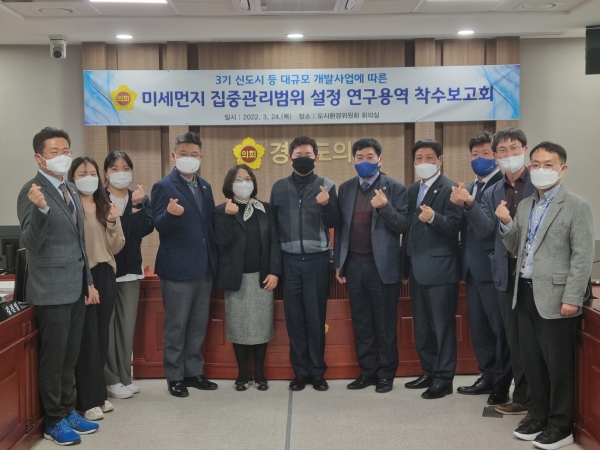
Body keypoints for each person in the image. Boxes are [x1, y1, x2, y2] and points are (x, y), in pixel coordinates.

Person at [498, 142, 594, 450]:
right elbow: (515, 246)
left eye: (548, 165)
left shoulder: (577, 206)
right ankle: (538, 417)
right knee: (533, 363)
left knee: (558, 366)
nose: (541, 170)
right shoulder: (527, 204)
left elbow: (582, 256)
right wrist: (506, 223)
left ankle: (561, 426)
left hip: (557, 297)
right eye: (536, 164)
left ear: (562, 169)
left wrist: (573, 297)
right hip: (525, 293)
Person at [17, 127, 99, 445]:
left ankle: (67, 410)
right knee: (54, 359)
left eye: (66, 150)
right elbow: (30, 243)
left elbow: (80, 243)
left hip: (76, 287)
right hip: (50, 289)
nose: (63, 156)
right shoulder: (32, 191)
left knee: (69, 356)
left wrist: (88, 282)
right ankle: (53, 420)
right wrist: (41, 211)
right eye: (55, 152)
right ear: (39, 157)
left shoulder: (71, 189)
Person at [457, 127, 535, 422]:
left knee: (533, 338)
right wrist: (470, 204)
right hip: (505, 270)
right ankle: (522, 397)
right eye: (502, 150)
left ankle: (537, 401)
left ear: (524, 149)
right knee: (513, 337)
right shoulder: (492, 191)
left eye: (513, 149)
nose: (508, 155)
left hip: (534, 270)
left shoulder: (538, 184)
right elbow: (486, 229)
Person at [334, 138, 408, 393]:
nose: (364, 162)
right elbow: (341, 228)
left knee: (385, 324)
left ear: (380, 159)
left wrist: (385, 207)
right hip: (354, 265)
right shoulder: (345, 188)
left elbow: (403, 225)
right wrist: (339, 262)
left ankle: (386, 374)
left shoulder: (395, 187)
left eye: (369, 157)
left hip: (383, 267)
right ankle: (367, 371)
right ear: (353, 160)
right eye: (359, 158)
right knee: (362, 322)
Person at [269, 135, 340, 392]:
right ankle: (300, 373)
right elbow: (273, 231)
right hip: (289, 262)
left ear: (316, 158)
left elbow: (335, 222)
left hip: (317, 261)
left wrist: (326, 205)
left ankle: (317, 373)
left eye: (308, 155)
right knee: (295, 319)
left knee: (315, 318)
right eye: (298, 155)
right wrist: (275, 267)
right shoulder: (278, 187)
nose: (303, 159)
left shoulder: (327, 186)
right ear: (290, 158)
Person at [151, 132, 218, 398]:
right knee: (176, 326)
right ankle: (175, 377)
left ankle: (194, 372)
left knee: (198, 325)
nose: (188, 158)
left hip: (204, 268)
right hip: (177, 269)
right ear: (174, 156)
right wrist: (170, 215)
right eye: (183, 154)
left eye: (194, 154)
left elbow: (208, 227)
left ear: (201, 157)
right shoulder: (163, 186)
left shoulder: (206, 187)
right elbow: (157, 224)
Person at [449, 131, 512, 405]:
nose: (479, 159)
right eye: (475, 154)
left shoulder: (503, 185)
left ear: (496, 156)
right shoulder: (473, 186)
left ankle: (502, 382)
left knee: (500, 330)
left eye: (485, 153)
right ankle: (487, 375)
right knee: (480, 329)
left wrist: (468, 204)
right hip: (472, 269)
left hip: (493, 268)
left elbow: (490, 228)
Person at [402, 139, 462, 400]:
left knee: (442, 327)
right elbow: (409, 230)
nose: (423, 162)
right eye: (419, 158)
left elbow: (456, 226)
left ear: (440, 160)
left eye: (429, 157)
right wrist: (404, 266)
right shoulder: (413, 189)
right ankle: (428, 371)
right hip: (416, 269)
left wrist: (435, 218)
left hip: (441, 270)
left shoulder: (450, 189)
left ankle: (444, 379)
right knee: (423, 327)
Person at [213, 164, 281, 391]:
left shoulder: (265, 208)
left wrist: (274, 271)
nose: (244, 183)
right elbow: (220, 241)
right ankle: (242, 374)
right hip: (236, 278)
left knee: (261, 327)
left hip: (262, 278)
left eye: (248, 178)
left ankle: (260, 374)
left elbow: (274, 240)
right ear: (229, 184)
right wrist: (229, 216)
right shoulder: (221, 210)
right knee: (239, 328)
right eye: (238, 179)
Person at [68, 156, 125, 421]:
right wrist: (85, 282)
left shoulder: (105, 204)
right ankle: (87, 401)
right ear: (73, 177)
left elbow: (116, 246)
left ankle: (98, 395)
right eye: (82, 173)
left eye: (92, 173)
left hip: (106, 273)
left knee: (102, 337)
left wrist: (113, 222)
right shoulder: (70, 206)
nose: (88, 177)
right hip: (84, 276)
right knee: (87, 340)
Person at [103, 151, 154, 399]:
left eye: (125, 168)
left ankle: (125, 376)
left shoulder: (140, 198)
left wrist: (136, 205)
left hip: (131, 270)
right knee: (108, 327)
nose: (120, 173)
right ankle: (110, 379)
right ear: (106, 173)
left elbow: (143, 229)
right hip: (106, 270)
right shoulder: (98, 199)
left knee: (125, 327)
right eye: (114, 168)